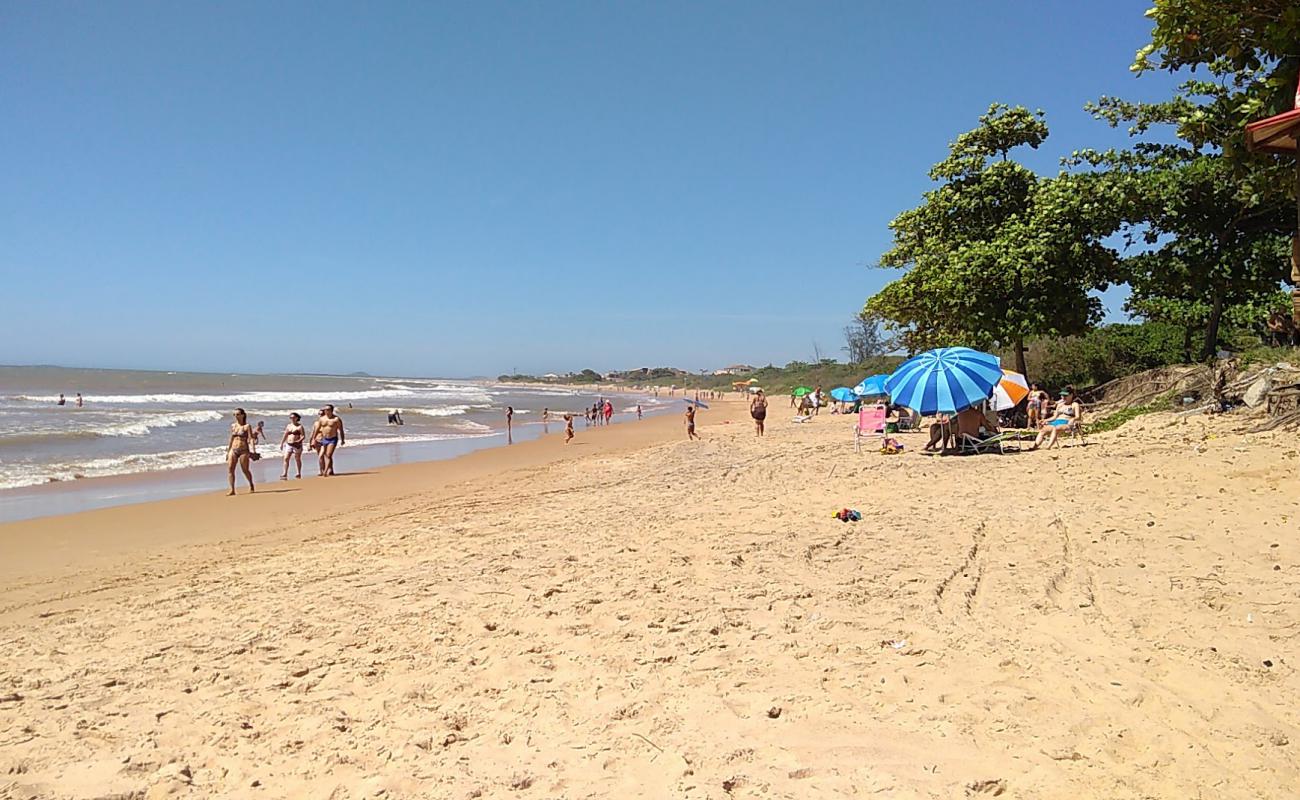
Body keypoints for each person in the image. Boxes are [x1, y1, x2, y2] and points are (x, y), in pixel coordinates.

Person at [226, 408, 255, 495]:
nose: (236, 416)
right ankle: (232, 489)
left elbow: (251, 438)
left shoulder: (247, 426)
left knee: (245, 469)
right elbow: (231, 439)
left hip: (244, 450)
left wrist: (253, 450)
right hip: (233, 449)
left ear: (243, 415)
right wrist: (228, 451)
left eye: (238, 414)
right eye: (235, 414)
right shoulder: (233, 426)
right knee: (230, 469)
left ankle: (251, 484)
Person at [315, 404, 345, 476]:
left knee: (328, 455)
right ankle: (330, 470)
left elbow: (341, 430)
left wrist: (342, 439)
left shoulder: (336, 419)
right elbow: (317, 429)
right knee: (325, 455)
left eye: (328, 410)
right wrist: (313, 438)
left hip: (333, 439)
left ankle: (325, 471)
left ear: (331, 410)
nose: (326, 411)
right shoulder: (322, 419)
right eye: (325, 410)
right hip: (324, 439)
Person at [279, 412, 306, 480]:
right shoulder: (289, 426)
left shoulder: (300, 427)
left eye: (293, 417)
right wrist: (282, 443)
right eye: (291, 418)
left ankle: (298, 472)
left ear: (297, 418)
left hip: (297, 445)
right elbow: (285, 434)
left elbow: (303, 436)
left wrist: (299, 441)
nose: (292, 419)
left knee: (297, 459)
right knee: (286, 458)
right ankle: (285, 473)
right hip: (289, 444)